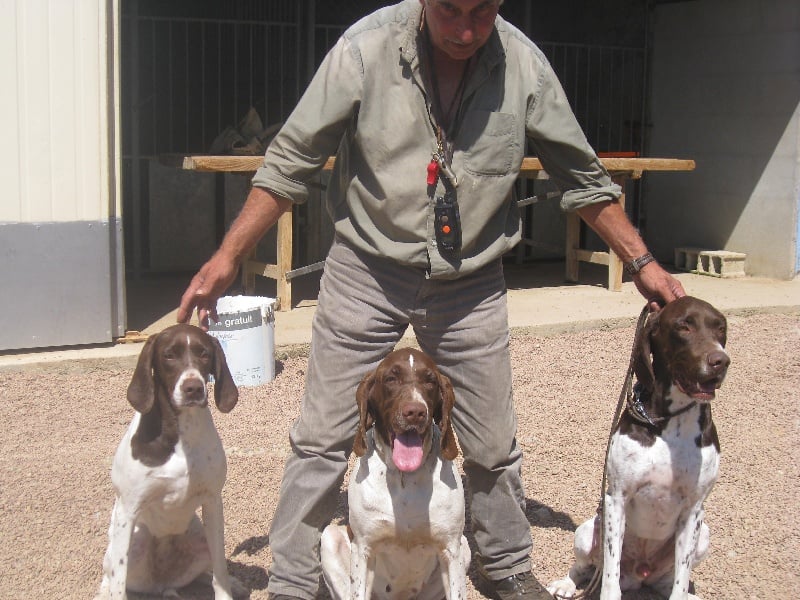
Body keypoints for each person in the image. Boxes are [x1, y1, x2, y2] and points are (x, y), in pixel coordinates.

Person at [178, 1, 686, 599]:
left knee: (493, 440)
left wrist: (642, 262)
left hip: (469, 282)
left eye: (483, 11)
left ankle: (504, 564)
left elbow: (581, 176)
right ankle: (295, 580)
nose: (467, 29)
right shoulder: (365, 48)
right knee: (322, 436)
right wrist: (227, 257)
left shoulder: (523, 65)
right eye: (450, 10)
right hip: (366, 267)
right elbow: (292, 158)